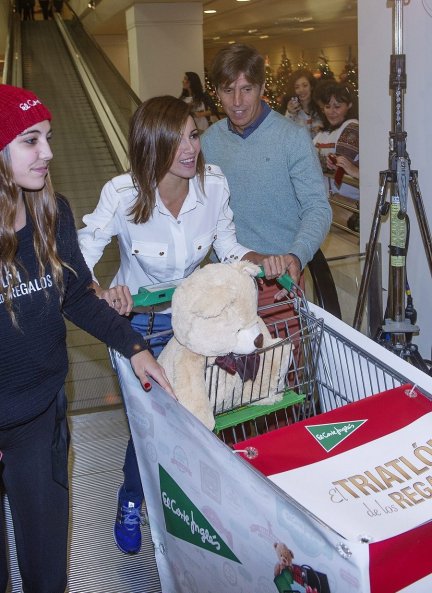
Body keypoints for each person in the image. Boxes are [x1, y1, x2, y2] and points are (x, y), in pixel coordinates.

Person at [78, 95, 287, 555]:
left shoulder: (213, 185)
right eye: (177, 141)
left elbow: (229, 247)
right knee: (151, 421)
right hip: (137, 327)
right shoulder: (123, 193)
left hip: (193, 321)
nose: (191, 148)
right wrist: (103, 293)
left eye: (193, 135)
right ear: (152, 147)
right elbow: (78, 263)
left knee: (193, 416)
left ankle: (188, 503)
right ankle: (132, 498)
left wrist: (262, 261)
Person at [0, 84, 172, 593]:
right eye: (31, 141)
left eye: (47, 138)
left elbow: (75, 296)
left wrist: (135, 346)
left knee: (46, 569)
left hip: (40, 417)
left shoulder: (53, 212)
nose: (48, 152)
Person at [201, 43, 332, 305]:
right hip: (224, 282)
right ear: (217, 92)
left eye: (246, 89)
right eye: (228, 91)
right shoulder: (208, 141)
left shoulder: (291, 138)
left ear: (261, 88)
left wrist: (296, 255)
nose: (237, 102)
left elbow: (317, 207)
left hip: (278, 280)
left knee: (281, 348)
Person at [313, 80, 359, 230]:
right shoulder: (323, 133)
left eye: (337, 106)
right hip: (328, 202)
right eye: (327, 106)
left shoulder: (352, 127)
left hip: (346, 204)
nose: (331, 111)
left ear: (349, 106)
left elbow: (339, 163)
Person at [282, 68, 323, 138]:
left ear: (311, 86)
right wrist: (290, 113)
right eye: (297, 87)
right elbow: (284, 134)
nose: (301, 90)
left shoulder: (321, 108)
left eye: (305, 85)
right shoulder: (291, 110)